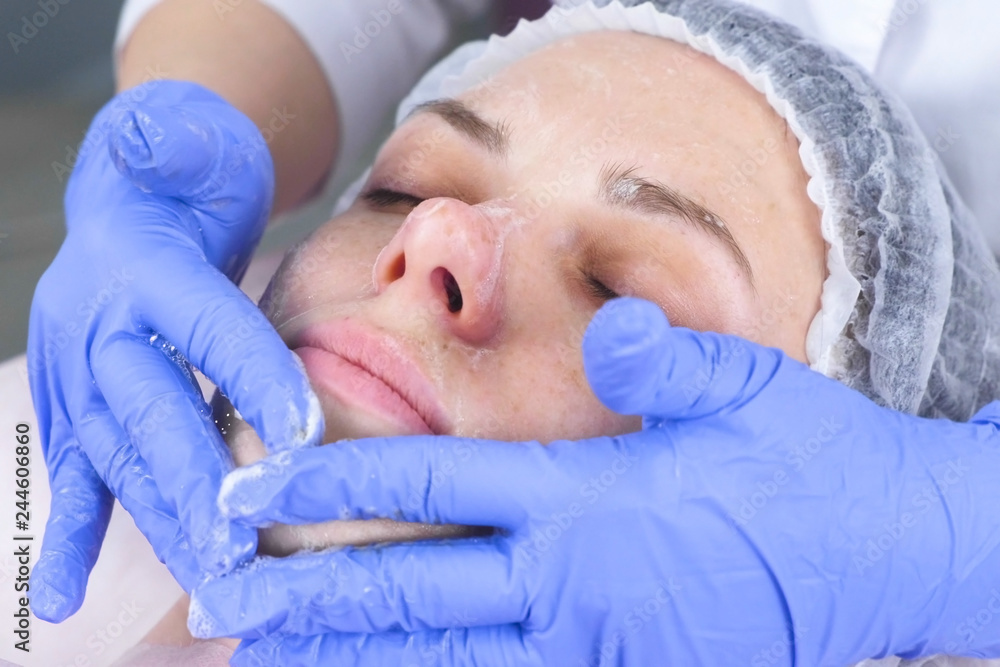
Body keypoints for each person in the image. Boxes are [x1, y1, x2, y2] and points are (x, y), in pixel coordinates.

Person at [24, 0, 1000, 665]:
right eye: (405, 188)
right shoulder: (37, 482)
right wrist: (181, 132)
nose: (433, 237)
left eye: (619, 292)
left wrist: (945, 536)